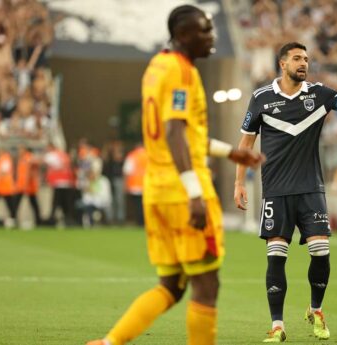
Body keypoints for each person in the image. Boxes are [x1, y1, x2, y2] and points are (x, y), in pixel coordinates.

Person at [86, 5, 264, 345]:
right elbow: (174, 133)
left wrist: (230, 152)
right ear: (183, 36)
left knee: (171, 286)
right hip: (184, 193)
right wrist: (195, 192)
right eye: (205, 31)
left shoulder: (157, 66)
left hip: (158, 192)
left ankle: (110, 342)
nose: (212, 37)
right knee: (207, 286)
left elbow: (185, 134)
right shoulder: (182, 72)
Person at [234, 42, 337, 342]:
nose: (303, 63)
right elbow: (245, 146)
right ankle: (278, 325)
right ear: (282, 64)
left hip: (310, 189)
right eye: (296, 58)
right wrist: (239, 183)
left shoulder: (320, 94)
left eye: (306, 58)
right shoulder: (261, 98)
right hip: (276, 191)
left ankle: (316, 310)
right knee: (276, 256)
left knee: (321, 251)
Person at [43, 142, 76, 226]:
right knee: (67, 204)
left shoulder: (52, 155)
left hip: (58, 183)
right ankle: (69, 220)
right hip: (67, 182)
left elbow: (42, 161)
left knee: (55, 203)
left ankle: (52, 221)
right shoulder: (64, 155)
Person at [15, 146, 42, 226]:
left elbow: (35, 165)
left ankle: (39, 221)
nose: (19, 151)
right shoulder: (22, 158)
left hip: (28, 186)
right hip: (21, 185)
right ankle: (14, 218)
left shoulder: (28, 157)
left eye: (20, 149)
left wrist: (28, 179)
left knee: (33, 204)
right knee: (16, 203)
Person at [123, 143, 147, 226]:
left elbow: (127, 171)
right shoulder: (149, 154)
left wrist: (125, 185)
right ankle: (145, 221)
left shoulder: (132, 155)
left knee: (138, 206)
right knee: (145, 206)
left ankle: (139, 222)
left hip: (135, 185)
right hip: (147, 185)